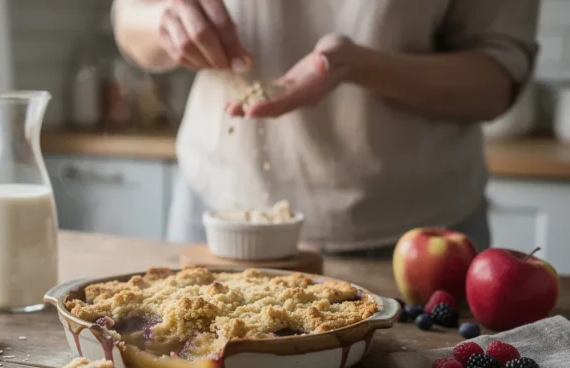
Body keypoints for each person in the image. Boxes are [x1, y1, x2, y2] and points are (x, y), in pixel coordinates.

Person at [111, 0, 540, 257]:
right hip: (220, 205)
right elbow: (129, 18)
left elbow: (496, 81)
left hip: (417, 229)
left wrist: (361, 66)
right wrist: (166, 21)